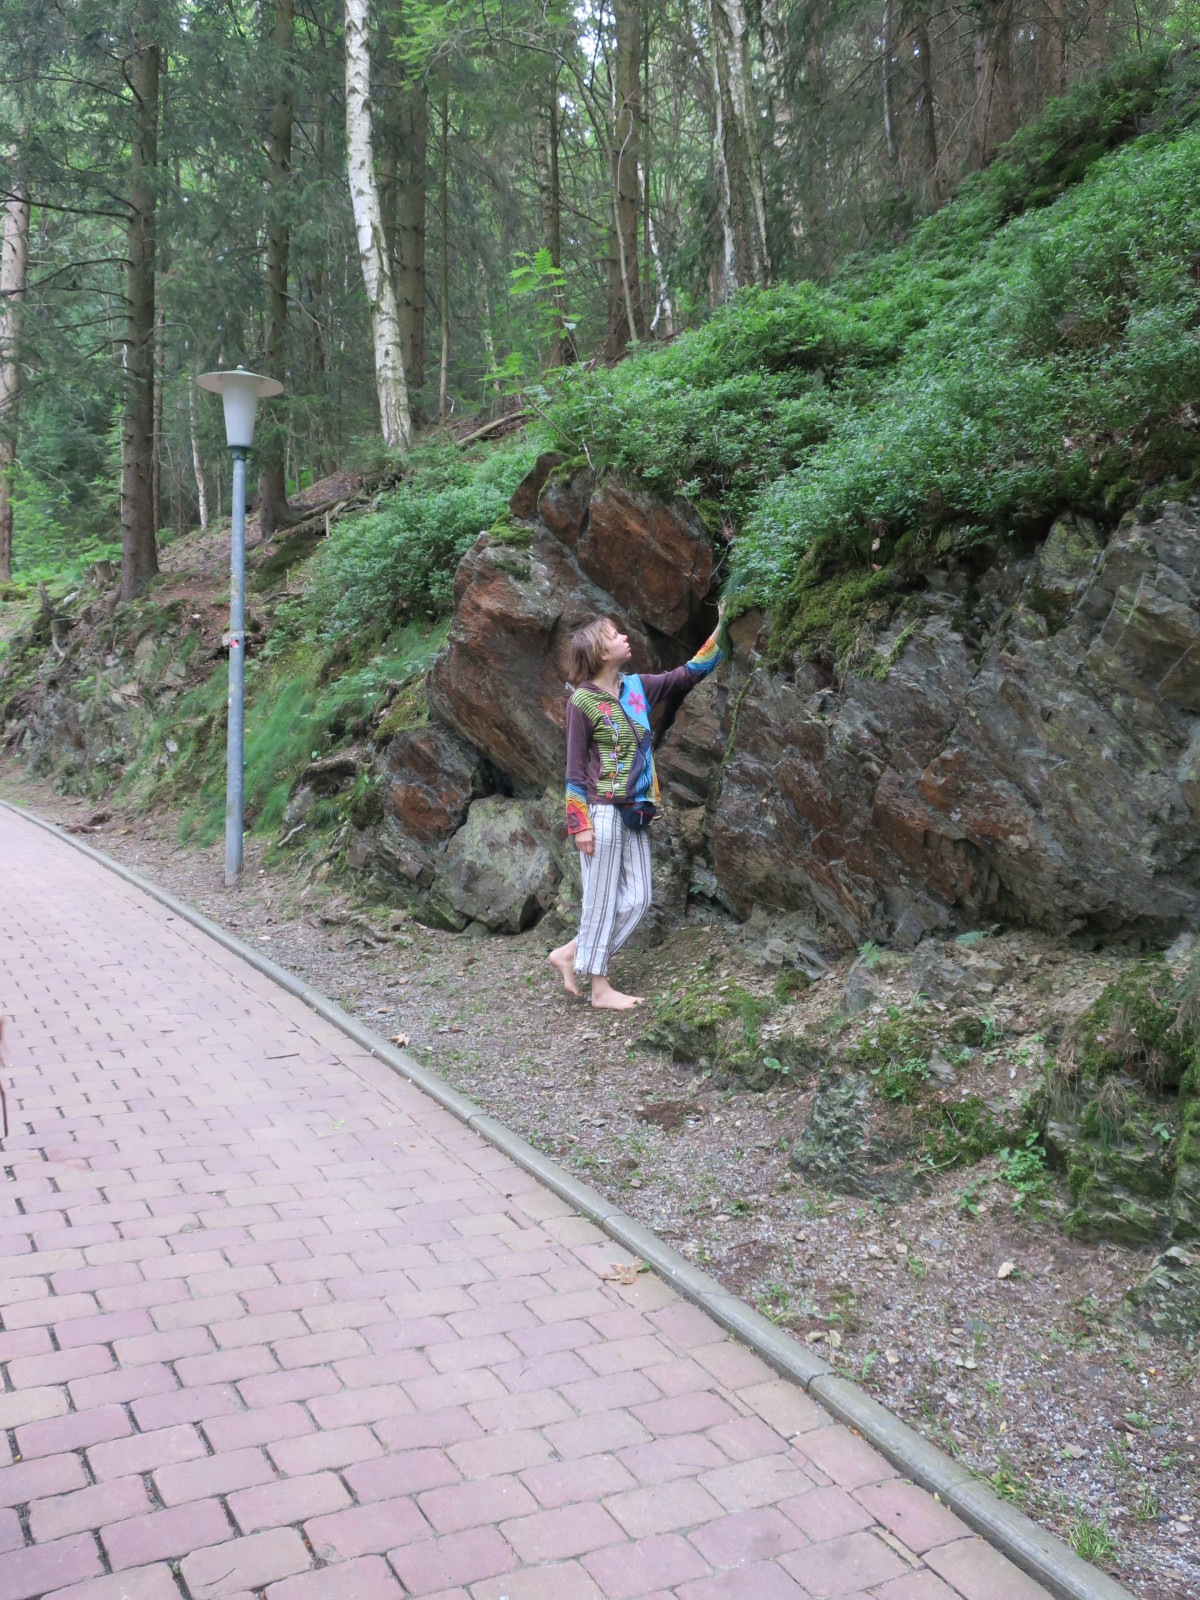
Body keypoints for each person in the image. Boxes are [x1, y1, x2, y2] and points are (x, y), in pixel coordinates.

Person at [548, 601, 726, 1008]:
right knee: (602, 901)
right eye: (615, 635)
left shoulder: (636, 687)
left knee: (640, 899)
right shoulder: (582, 702)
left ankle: (572, 953)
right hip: (601, 811)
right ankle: (599, 989)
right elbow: (574, 771)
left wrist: (722, 627)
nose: (625, 637)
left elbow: (687, 674)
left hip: (637, 810)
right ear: (600, 652)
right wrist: (579, 824)